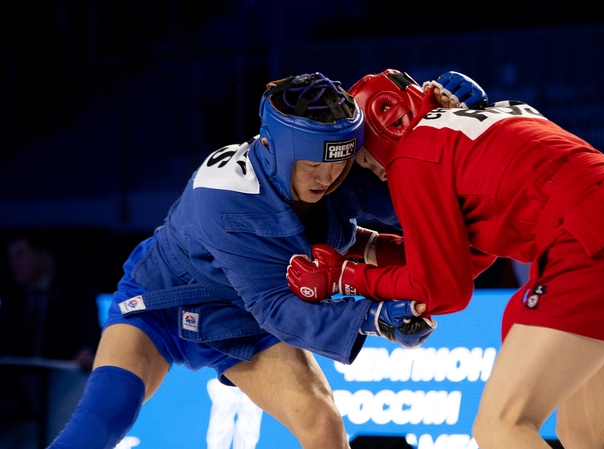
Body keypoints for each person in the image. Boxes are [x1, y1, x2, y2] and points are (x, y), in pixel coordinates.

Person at [286, 69, 604, 449]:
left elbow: (442, 291)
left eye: (365, 158)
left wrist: (345, 278)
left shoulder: (413, 155)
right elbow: (468, 260)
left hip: (599, 243)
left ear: (386, 121)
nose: (373, 171)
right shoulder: (500, 113)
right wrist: (365, 252)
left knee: (501, 427)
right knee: (584, 433)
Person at [46, 72, 454, 449]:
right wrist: (375, 318)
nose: (327, 178)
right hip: (163, 299)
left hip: (240, 313)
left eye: (339, 163)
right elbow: (277, 307)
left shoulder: (336, 171)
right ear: (272, 147)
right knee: (102, 420)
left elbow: (428, 204)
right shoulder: (225, 198)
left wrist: (453, 125)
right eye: (313, 165)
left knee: (322, 422)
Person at [0, 232, 101, 369]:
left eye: (20, 255)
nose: (14, 264)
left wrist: (86, 351)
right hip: (18, 374)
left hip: (64, 373)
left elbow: (88, 331)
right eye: (11, 257)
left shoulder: (75, 289)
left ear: (44, 256)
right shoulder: (12, 297)